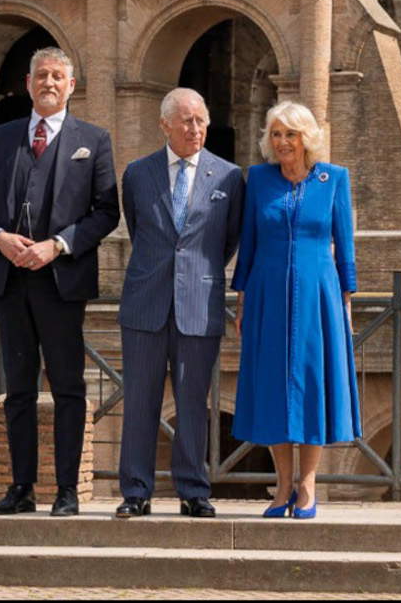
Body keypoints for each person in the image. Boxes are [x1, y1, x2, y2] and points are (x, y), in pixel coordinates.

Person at [0, 46, 119, 517]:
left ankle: (68, 491)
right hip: (10, 281)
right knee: (18, 390)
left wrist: (58, 244)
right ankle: (21, 488)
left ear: (72, 86)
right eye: (41, 76)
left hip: (62, 282)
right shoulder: (3, 137)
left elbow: (106, 213)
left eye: (58, 76)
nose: (49, 83)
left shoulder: (93, 139)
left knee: (69, 387)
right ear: (28, 82)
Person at [115, 87, 244, 519]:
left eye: (201, 120)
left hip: (198, 304)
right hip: (145, 303)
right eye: (187, 121)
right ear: (165, 125)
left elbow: (226, 241)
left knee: (193, 402)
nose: (196, 129)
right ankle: (135, 492)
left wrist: (195, 273)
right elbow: (140, 230)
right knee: (140, 400)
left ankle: (193, 490)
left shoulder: (228, 177)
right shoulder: (137, 174)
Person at [231, 101, 359, 520]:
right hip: (267, 291)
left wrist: (347, 300)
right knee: (272, 385)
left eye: (291, 133)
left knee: (312, 382)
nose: (282, 141)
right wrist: (242, 296)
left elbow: (345, 244)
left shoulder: (334, 179)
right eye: (276, 134)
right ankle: (282, 484)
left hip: (319, 293)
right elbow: (248, 242)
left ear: (307, 137)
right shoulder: (259, 179)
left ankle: (308, 484)